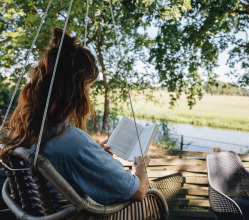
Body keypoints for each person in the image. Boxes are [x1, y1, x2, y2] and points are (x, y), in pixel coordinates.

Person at [0, 28, 150, 205]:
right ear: (75, 89)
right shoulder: (75, 144)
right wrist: (142, 167)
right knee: (150, 204)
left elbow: (63, 161)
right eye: (89, 85)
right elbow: (138, 192)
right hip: (79, 216)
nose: (88, 92)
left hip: (40, 213)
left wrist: (94, 155)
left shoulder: (22, 129)